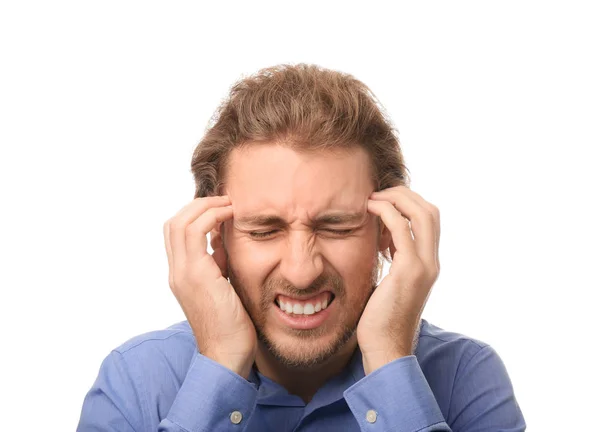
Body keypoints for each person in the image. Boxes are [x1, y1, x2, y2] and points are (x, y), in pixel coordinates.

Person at [77, 63, 526, 431]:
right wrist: (218, 367)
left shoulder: (467, 377)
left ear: (389, 232)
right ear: (216, 238)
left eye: (336, 226)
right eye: (264, 230)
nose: (301, 271)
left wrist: (391, 359)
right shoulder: (134, 381)